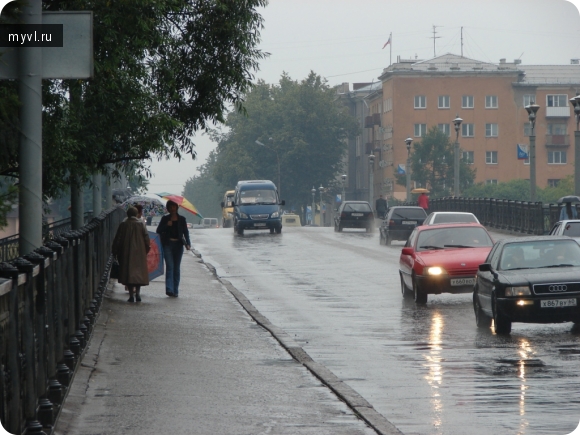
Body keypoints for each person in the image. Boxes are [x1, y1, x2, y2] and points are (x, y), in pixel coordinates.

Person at [112, 207, 151, 302]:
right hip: (139, 251)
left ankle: (131, 295)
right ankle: (137, 293)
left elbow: (118, 238)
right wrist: (146, 248)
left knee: (128, 273)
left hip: (126, 251)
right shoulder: (141, 224)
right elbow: (146, 238)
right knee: (138, 274)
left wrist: (115, 250)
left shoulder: (123, 224)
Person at [156, 200, 191, 297]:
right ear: (168, 208)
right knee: (170, 267)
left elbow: (185, 232)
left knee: (177, 268)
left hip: (178, 245)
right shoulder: (165, 219)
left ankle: (175, 290)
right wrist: (167, 225)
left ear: (177, 207)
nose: (172, 209)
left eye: (174, 207)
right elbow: (158, 230)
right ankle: (169, 289)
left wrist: (188, 243)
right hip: (168, 244)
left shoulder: (182, 219)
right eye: (170, 207)